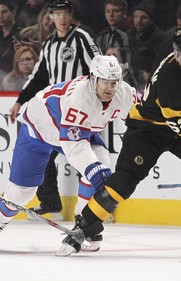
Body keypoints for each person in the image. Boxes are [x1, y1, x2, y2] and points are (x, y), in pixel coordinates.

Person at [57, 28, 181, 257]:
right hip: (148, 130)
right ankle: (80, 230)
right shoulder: (170, 80)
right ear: (176, 55)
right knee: (123, 183)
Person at [0, 55, 135, 251]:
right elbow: (75, 147)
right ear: (93, 79)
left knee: (101, 162)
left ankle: (84, 224)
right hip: (39, 129)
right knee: (22, 192)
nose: (110, 88)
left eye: (114, 82)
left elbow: (147, 112)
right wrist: (95, 174)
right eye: (106, 82)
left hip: (76, 130)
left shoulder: (124, 93)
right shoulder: (77, 98)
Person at [8, 0, 102, 219]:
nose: (61, 18)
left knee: (83, 156)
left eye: (64, 14)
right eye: (56, 14)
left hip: (79, 110)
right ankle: (50, 204)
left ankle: (95, 208)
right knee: (44, 153)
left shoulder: (81, 38)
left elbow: (98, 66)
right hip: (55, 111)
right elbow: (40, 77)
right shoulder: (49, 44)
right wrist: (20, 101)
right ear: (50, 17)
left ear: (70, 16)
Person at [126, 0, 168, 90]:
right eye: (136, 17)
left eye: (143, 17)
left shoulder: (161, 38)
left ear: (152, 20)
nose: (139, 21)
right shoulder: (128, 35)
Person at [0, 0, 21, 85]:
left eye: (4, 12)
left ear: (13, 13)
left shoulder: (21, 34)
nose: (0, 16)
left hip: (13, 81)